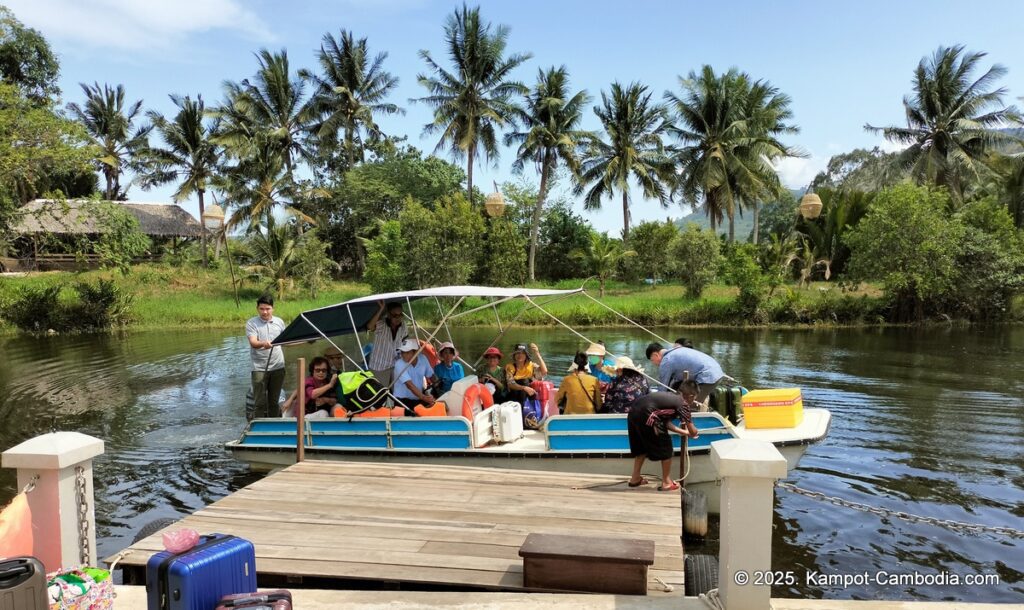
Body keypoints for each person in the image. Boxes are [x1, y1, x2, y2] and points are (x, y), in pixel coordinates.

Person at [626, 379, 700, 491]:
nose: (694, 401)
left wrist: (684, 432)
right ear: (690, 396)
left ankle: (635, 478)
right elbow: (693, 431)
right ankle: (666, 482)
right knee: (666, 448)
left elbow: (665, 423)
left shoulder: (671, 398)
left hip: (633, 413)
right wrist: (693, 432)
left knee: (641, 448)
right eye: (694, 398)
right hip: (647, 414)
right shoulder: (682, 404)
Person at [646, 342, 726, 406]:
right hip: (716, 371)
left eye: (652, 360)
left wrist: (653, 401)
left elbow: (663, 388)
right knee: (685, 400)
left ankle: (693, 424)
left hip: (708, 376)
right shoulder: (676, 351)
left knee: (690, 406)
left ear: (655, 355)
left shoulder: (666, 360)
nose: (654, 364)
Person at [246, 294, 287, 419]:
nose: (264, 312)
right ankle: (259, 427)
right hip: (259, 368)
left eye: (267, 309)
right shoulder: (252, 323)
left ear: (272, 308)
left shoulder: (279, 322)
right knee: (259, 403)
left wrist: (306, 340)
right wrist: (264, 343)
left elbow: (286, 342)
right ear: (257, 309)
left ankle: (274, 426)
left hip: (278, 367)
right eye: (262, 309)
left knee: (274, 402)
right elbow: (253, 343)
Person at [365, 301, 409, 390]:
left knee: (397, 393)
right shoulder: (382, 324)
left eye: (400, 315)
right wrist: (381, 309)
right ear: (388, 315)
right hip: (379, 366)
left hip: (395, 364)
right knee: (380, 394)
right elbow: (370, 326)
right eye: (395, 315)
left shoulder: (403, 325)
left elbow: (404, 341)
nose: (398, 318)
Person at [393, 338, 438, 412]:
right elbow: (409, 385)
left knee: (435, 404)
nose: (403, 355)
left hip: (418, 398)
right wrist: (424, 397)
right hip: (401, 401)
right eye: (402, 352)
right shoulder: (399, 364)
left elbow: (431, 375)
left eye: (407, 352)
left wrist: (438, 387)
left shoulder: (423, 358)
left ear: (415, 352)